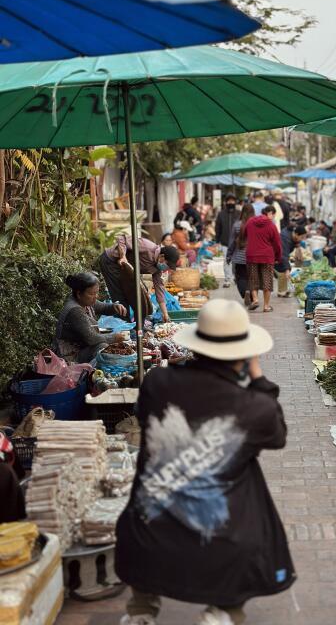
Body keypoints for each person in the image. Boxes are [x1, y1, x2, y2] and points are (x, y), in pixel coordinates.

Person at [116, 299, 295, 625]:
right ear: (243, 353)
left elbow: (145, 418)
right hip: (222, 546)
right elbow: (277, 436)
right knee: (253, 494)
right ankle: (223, 612)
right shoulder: (255, 406)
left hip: (145, 537)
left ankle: (141, 611)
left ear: (196, 346)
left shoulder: (156, 383)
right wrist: (259, 378)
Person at [99, 235, 179, 324]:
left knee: (137, 298)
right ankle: (124, 327)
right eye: (167, 264)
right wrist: (123, 256)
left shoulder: (157, 269)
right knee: (119, 295)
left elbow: (159, 291)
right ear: (162, 256)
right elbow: (121, 239)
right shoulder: (147, 246)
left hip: (124, 269)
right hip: (110, 261)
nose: (166, 268)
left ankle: (136, 325)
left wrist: (165, 314)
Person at [54, 272, 127, 363]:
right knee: (102, 346)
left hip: (83, 348)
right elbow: (92, 339)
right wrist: (114, 338)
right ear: (79, 294)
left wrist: (114, 306)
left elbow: (104, 307)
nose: (95, 297)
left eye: (96, 293)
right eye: (92, 294)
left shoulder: (86, 301)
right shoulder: (75, 310)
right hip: (70, 356)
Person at [245, 206, 282, 313]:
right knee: (267, 281)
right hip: (267, 256)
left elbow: (244, 234)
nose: (273, 217)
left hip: (252, 254)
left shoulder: (250, 222)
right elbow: (277, 244)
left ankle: (255, 299)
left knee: (253, 279)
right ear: (270, 213)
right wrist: (278, 257)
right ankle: (266, 306)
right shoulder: (271, 225)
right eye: (273, 215)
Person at [227, 203, 255, 305]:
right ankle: (251, 294)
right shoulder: (254, 224)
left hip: (239, 257)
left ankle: (244, 292)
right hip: (252, 256)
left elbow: (232, 242)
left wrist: (229, 255)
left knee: (241, 278)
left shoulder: (237, 225)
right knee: (251, 277)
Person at [215, 194, 240, 288]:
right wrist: (217, 240)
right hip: (225, 242)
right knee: (226, 261)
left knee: (236, 261)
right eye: (229, 201)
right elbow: (218, 227)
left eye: (232, 201)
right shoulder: (221, 214)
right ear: (226, 202)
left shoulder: (239, 213)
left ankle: (236, 277)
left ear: (235, 202)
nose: (231, 203)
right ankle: (227, 279)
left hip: (237, 242)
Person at [276, 225, 307, 297]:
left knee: (284, 268)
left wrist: (298, 248)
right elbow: (284, 255)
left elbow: (296, 242)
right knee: (283, 269)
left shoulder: (292, 234)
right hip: (274, 254)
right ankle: (281, 291)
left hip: (280, 254)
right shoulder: (285, 239)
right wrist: (287, 270)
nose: (302, 239)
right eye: (301, 237)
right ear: (296, 234)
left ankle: (282, 291)